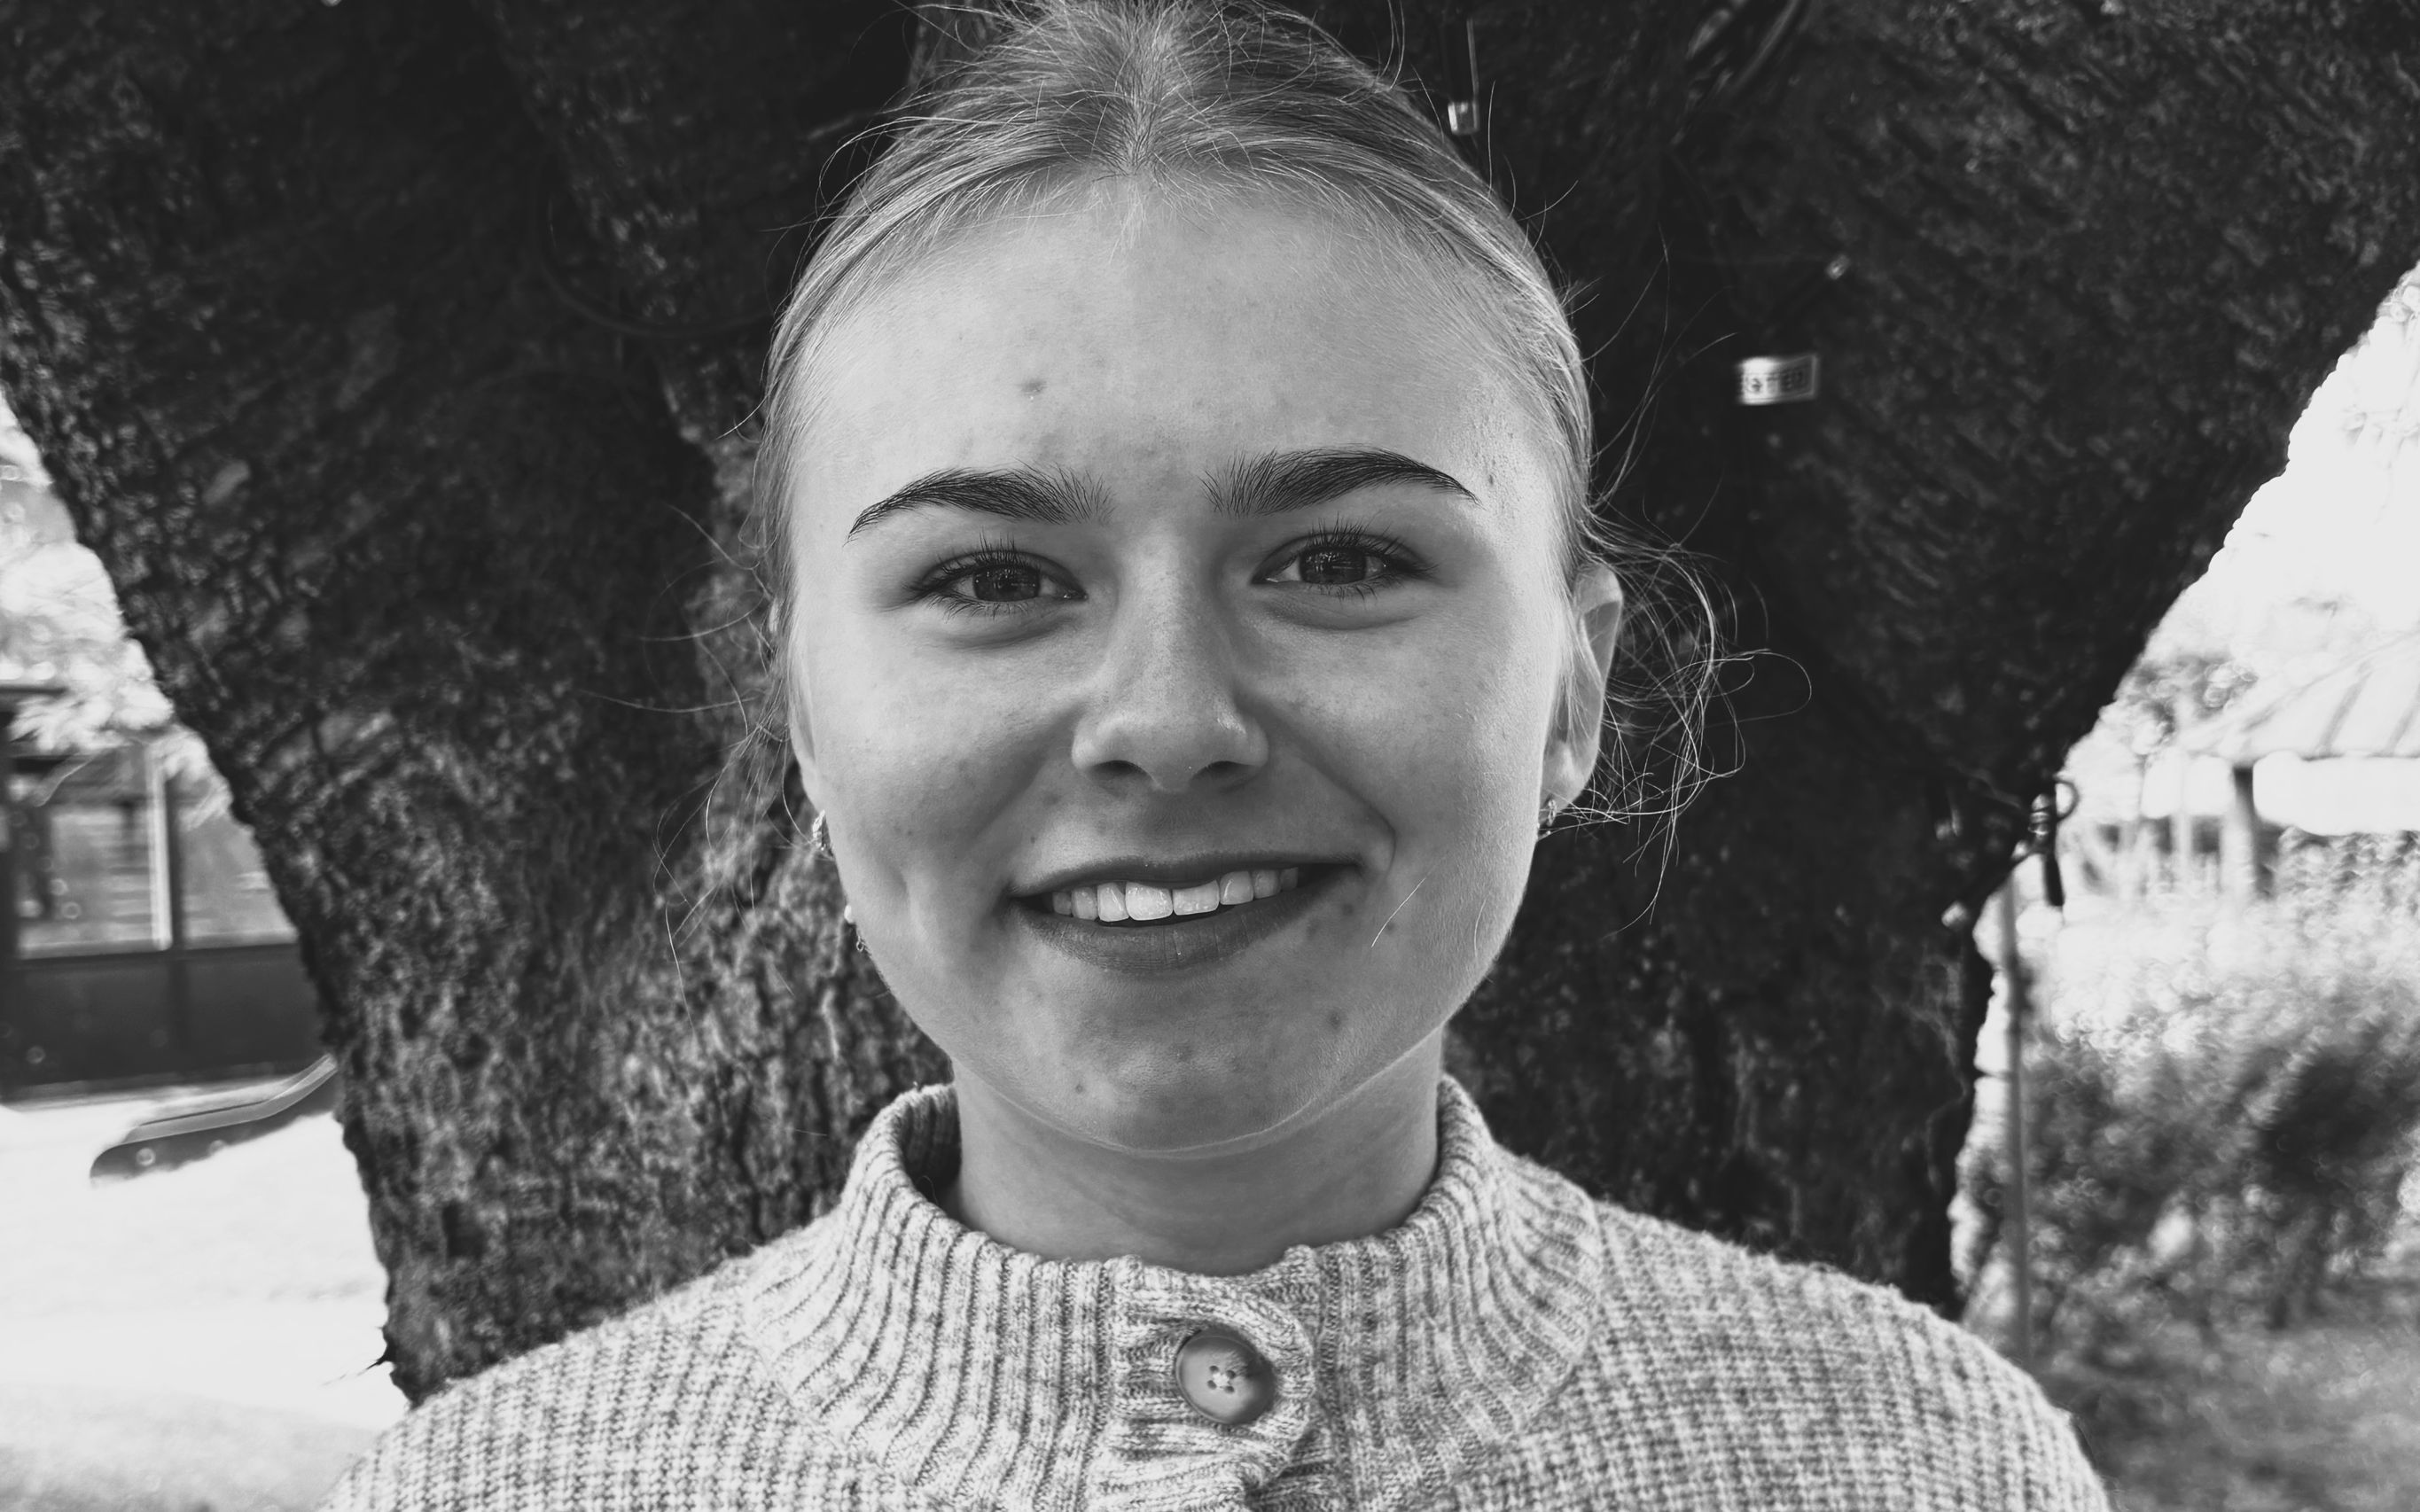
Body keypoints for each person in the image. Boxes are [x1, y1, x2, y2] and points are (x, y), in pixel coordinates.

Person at [327, 2, 2107, 1507]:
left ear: (1572, 686)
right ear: (802, 709)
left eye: (1339, 561)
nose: (1169, 721)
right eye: (993, 579)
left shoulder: (1921, 1468)